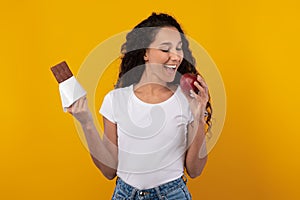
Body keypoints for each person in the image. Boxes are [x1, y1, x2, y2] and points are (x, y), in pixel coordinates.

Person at [67, 12, 212, 200]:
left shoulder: (187, 101)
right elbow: (109, 170)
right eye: (166, 49)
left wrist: (199, 117)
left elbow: (195, 170)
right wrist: (86, 122)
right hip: (125, 195)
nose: (176, 57)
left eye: (179, 48)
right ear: (145, 52)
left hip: (173, 195)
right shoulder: (115, 101)